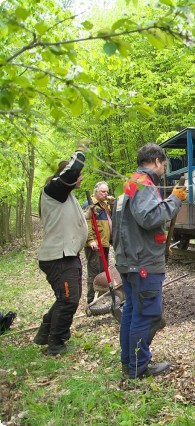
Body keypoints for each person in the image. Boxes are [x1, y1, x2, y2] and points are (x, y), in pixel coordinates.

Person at [112, 143, 186, 379]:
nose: (164, 169)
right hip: (142, 262)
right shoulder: (144, 185)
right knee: (147, 314)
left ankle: (129, 363)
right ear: (155, 161)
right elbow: (149, 217)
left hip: (130, 259)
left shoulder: (130, 184)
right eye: (164, 164)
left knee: (132, 312)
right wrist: (174, 199)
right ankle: (139, 366)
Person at [34, 142, 89, 355]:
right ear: (65, 176)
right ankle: (56, 343)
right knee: (68, 299)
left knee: (66, 298)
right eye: (79, 175)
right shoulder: (54, 189)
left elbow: (68, 220)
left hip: (68, 255)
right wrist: (81, 150)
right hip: (58, 256)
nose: (80, 177)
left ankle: (45, 333)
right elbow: (73, 169)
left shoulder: (64, 195)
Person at [82, 181, 114, 305]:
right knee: (94, 272)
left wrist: (111, 205)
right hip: (95, 245)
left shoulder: (104, 205)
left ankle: (101, 296)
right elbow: (86, 223)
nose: (106, 194)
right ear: (96, 192)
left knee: (103, 271)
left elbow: (110, 220)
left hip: (104, 242)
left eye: (107, 192)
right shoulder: (90, 204)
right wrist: (90, 240)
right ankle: (92, 300)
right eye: (103, 192)